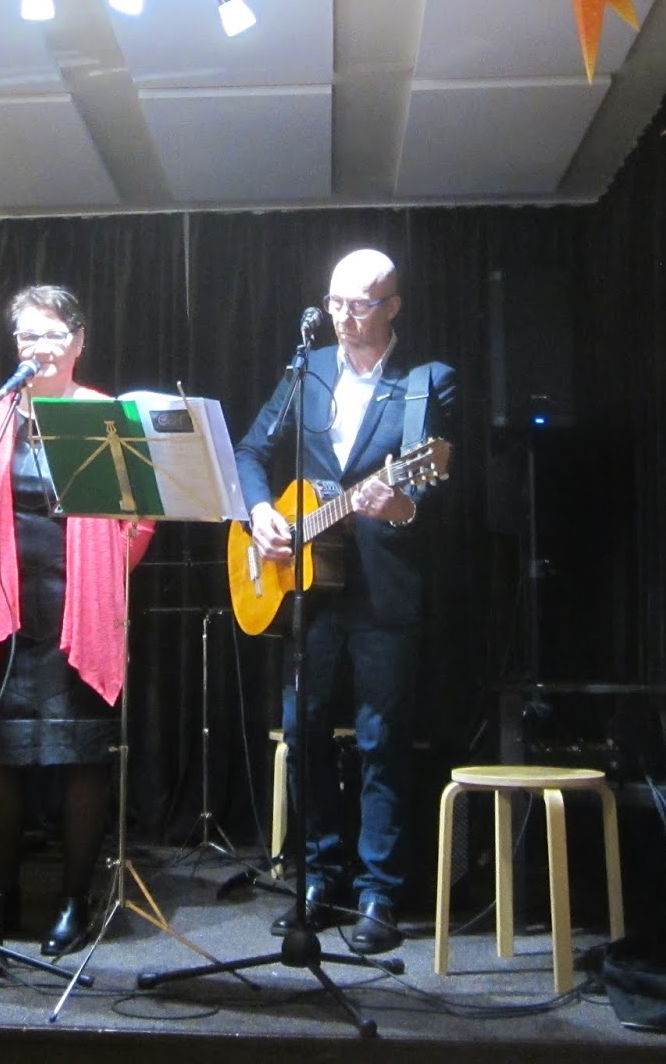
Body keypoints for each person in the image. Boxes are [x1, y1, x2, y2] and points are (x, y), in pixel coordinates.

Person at [233, 248, 456, 954]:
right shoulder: (308, 370)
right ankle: (319, 878)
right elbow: (249, 452)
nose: (343, 316)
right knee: (302, 732)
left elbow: (441, 487)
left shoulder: (425, 383)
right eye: (334, 302)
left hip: (385, 588)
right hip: (311, 590)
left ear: (393, 306)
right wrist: (260, 512)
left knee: (380, 739)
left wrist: (402, 506)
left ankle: (378, 892)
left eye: (359, 304)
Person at [0, 285, 153, 956]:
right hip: (9, 616)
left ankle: (74, 900)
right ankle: (2, 897)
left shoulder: (104, 414)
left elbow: (140, 517)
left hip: (82, 615)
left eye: (50, 335)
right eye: (27, 336)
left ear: (79, 342)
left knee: (82, 760)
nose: (38, 347)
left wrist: (105, 576)